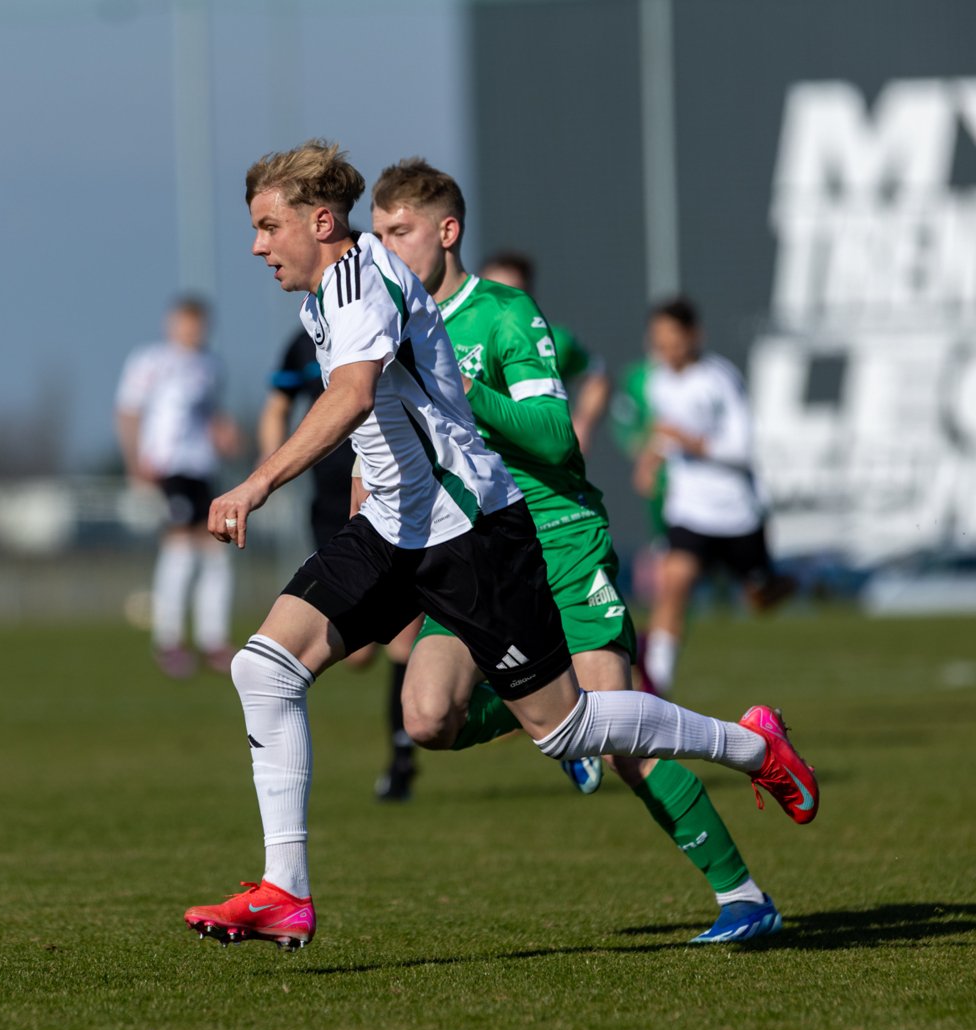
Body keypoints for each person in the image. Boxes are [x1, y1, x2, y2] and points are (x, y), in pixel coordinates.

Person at [181, 140, 818, 951]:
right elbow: (377, 413)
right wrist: (363, 487)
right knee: (271, 668)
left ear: (320, 221)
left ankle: (754, 745)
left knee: (567, 727)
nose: (257, 246)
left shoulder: (368, 280)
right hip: (396, 529)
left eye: (268, 227)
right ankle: (285, 891)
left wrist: (253, 482)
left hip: (470, 532)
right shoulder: (331, 294)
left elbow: (354, 394)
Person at [369, 158, 781, 942]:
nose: (387, 250)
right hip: (471, 552)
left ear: (447, 232)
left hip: (558, 538)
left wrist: (455, 386)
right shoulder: (392, 326)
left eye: (401, 232)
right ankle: (549, 717)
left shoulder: (503, 313)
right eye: (379, 235)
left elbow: (556, 438)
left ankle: (746, 897)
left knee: (622, 742)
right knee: (427, 717)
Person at [258, 334, 422, 801]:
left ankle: (402, 758)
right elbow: (276, 407)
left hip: (388, 498)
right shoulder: (297, 344)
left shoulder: (374, 325)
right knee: (358, 653)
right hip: (328, 506)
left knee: (404, 633)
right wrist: (271, 470)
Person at [634, 298, 796, 695]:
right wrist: (651, 458)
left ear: (694, 336)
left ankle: (785, 582)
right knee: (674, 584)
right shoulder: (657, 381)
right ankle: (656, 686)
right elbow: (663, 434)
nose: (666, 349)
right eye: (659, 341)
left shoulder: (720, 379)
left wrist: (686, 441)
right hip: (690, 509)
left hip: (736, 512)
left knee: (760, 600)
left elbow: (742, 449)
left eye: (673, 340)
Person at [115, 295, 241, 677]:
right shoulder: (151, 361)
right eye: (186, 322)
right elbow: (128, 411)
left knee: (216, 550)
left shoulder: (211, 365)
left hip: (202, 465)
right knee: (181, 544)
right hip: (168, 465)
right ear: (172, 324)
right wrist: (135, 460)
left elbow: (207, 413)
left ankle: (213, 639)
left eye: (198, 324)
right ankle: (168, 640)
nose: (192, 330)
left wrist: (223, 432)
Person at [478, 251, 611, 455]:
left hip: (536, 463)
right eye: (492, 292)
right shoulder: (456, 337)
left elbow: (596, 378)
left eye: (510, 294)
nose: (500, 303)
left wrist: (582, 423)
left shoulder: (553, 340)